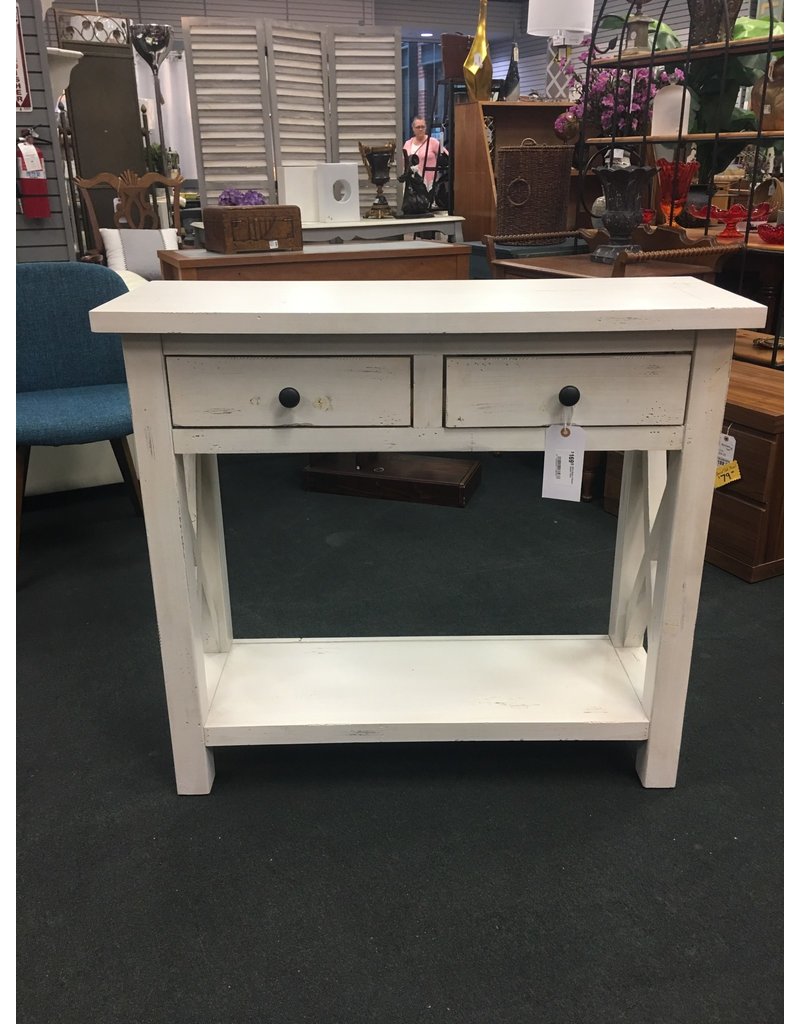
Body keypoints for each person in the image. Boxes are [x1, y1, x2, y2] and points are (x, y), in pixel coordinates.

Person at [402, 116, 447, 190]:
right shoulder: (407, 144)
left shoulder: (433, 142)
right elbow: (404, 163)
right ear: (413, 128)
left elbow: (446, 157)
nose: (420, 129)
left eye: (423, 127)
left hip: (429, 183)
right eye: (418, 127)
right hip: (411, 184)